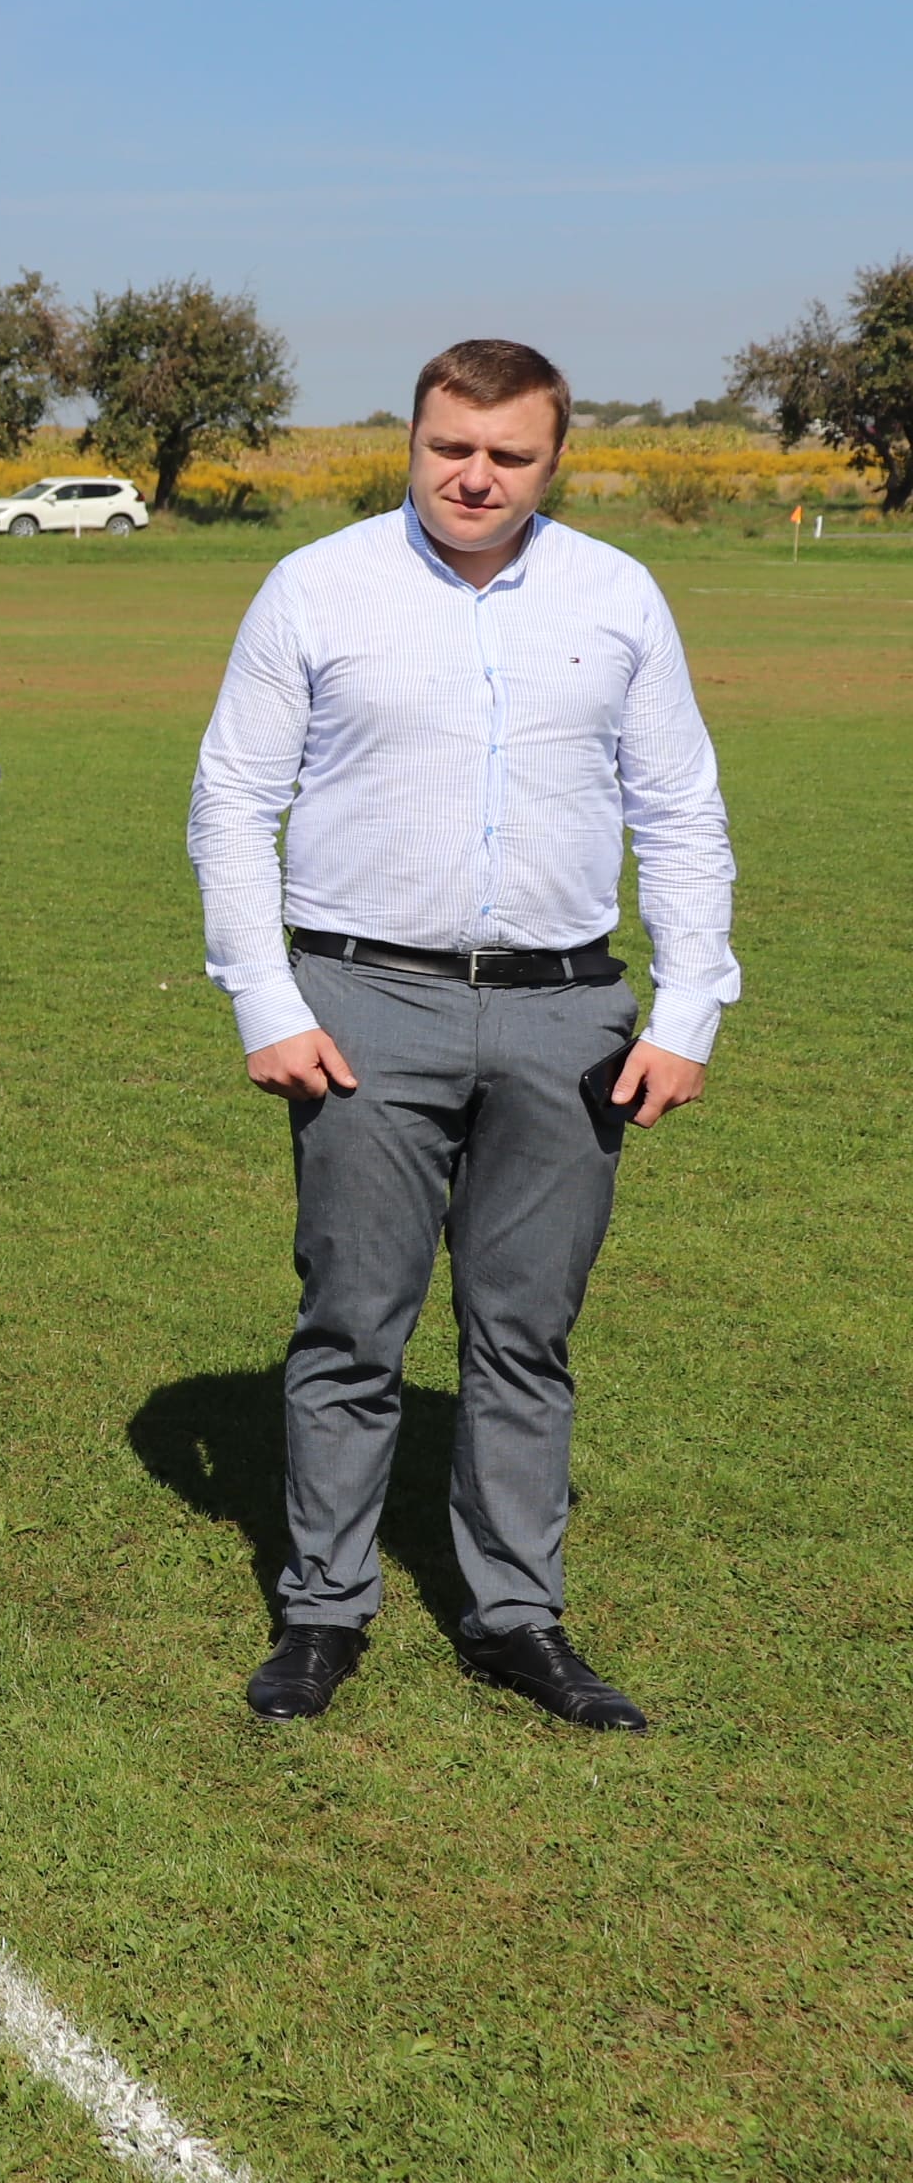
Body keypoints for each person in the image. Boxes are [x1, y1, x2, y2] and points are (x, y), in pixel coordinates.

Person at [187, 340, 735, 1733]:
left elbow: (680, 810)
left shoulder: (618, 596)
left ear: (554, 461)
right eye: (450, 447)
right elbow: (233, 798)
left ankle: (514, 1616)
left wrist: (688, 1008)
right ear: (414, 439)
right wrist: (266, 997)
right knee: (351, 1323)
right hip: (364, 1002)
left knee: (526, 1332)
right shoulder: (317, 586)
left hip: (568, 1012)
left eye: (508, 455)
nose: (474, 476)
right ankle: (324, 1607)